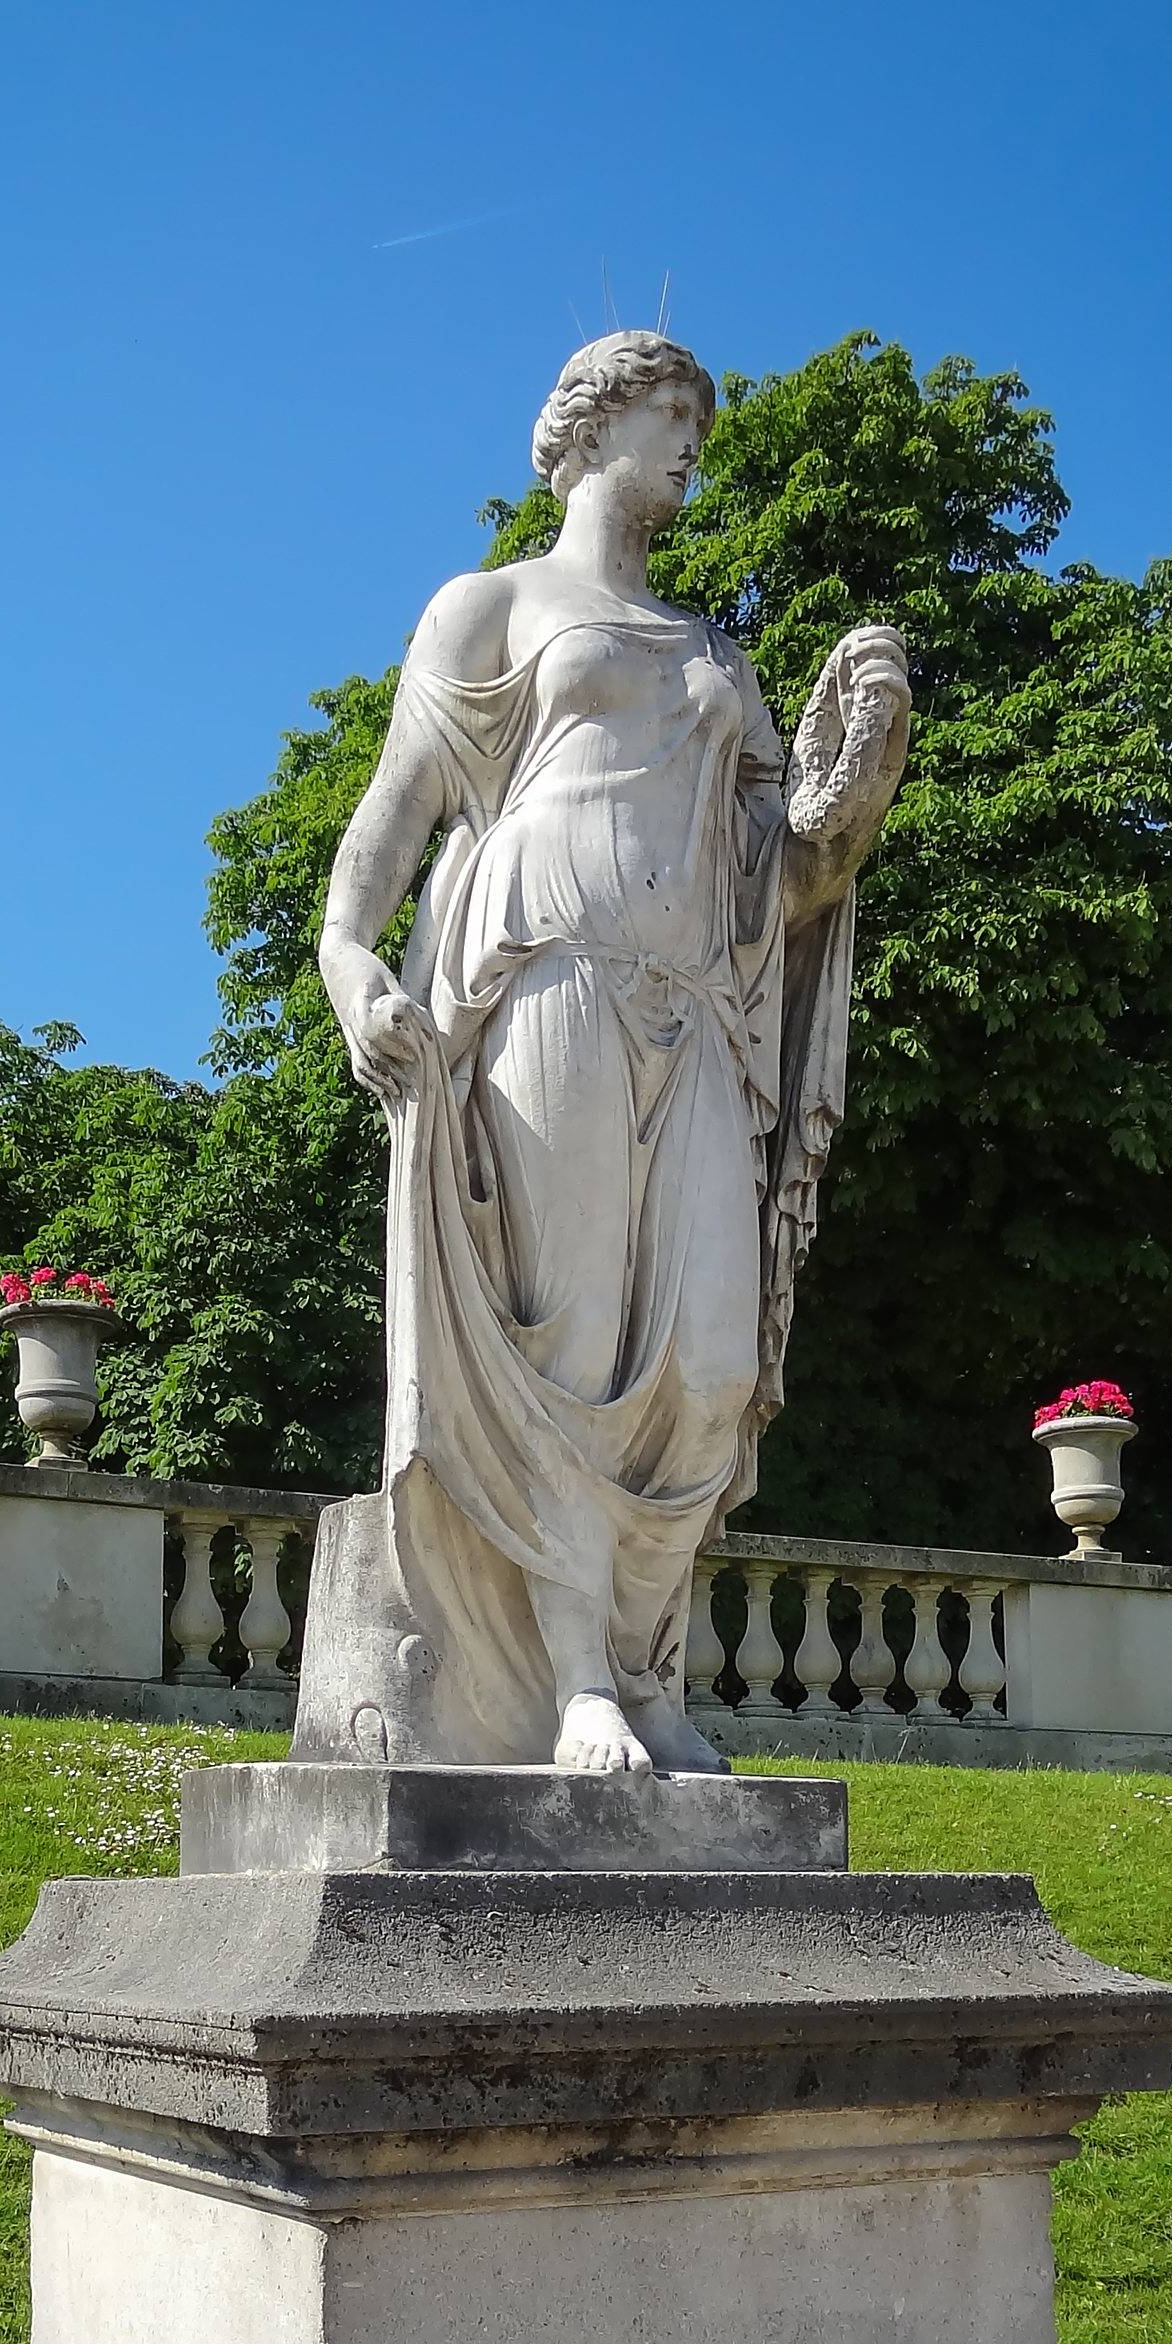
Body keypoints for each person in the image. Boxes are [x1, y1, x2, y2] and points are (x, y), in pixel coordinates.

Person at [296, 330, 912, 1775]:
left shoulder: (716, 655)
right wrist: (346, 966)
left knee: (705, 1362)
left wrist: (865, 765)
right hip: (537, 981)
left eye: (697, 418)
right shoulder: (492, 607)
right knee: (567, 1347)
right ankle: (581, 1681)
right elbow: (388, 822)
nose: (690, 441)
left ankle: (645, 1671)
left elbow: (791, 873)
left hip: (692, 1006)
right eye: (665, 414)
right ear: (580, 430)